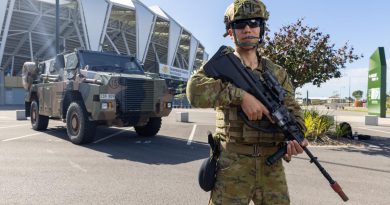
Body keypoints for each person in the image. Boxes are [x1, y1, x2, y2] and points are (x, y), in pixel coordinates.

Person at [186, 0, 308, 204]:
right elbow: (193, 90)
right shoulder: (222, 66)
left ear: (262, 28)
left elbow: (292, 108)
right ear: (230, 32)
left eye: (254, 23)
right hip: (231, 165)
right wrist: (241, 96)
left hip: (272, 167)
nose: (248, 29)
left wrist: (297, 137)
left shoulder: (276, 73)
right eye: (240, 24)